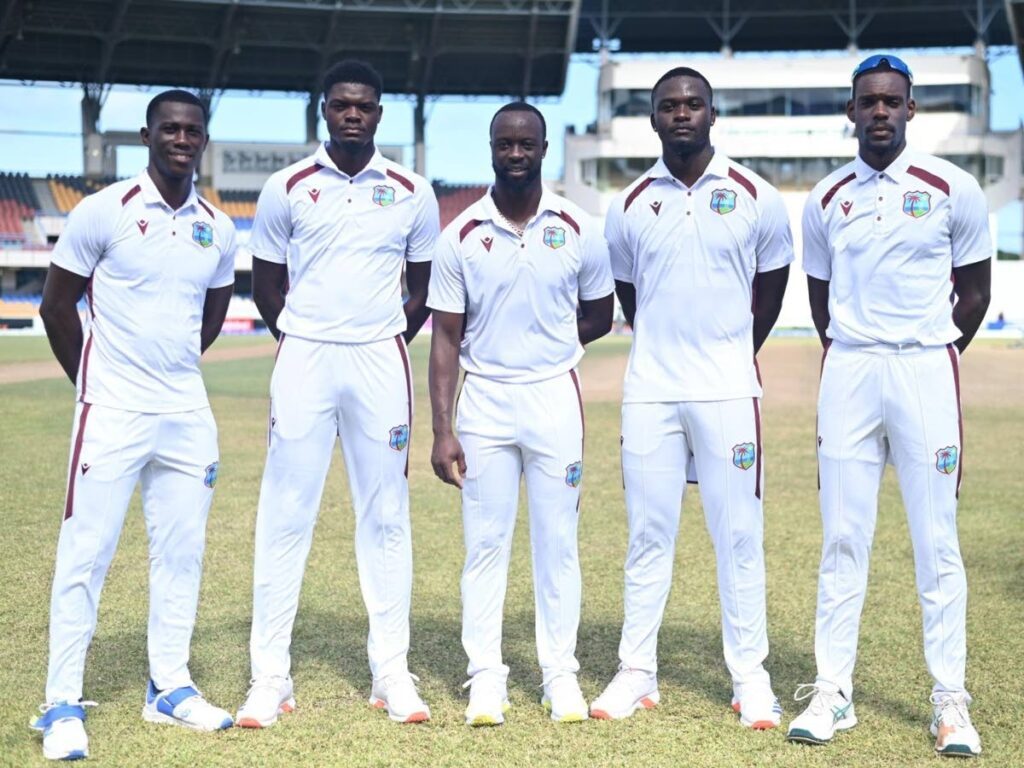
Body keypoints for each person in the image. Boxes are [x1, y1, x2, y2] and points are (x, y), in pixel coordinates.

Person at [787, 54, 991, 758]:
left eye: (891, 102)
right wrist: (857, 348)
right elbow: (819, 296)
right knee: (843, 537)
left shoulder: (951, 188)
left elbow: (975, 293)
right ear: (850, 111)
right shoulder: (825, 197)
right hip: (849, 370)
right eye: (867, 101)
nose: (879, 111)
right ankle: (832, 692)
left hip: (924, 370)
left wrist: (926, 348)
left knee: (936, 543)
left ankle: (949, 703)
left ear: (911, 111)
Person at [32, 89, 237, 760]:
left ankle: (168, 687)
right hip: (112, 411)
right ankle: (60, 703)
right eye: (170, 128)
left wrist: (171, 374)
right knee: (84, 556)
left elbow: (210, 316)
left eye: (192, 130)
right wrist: (95, 385)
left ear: (203, 139)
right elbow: (56, 307)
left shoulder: (219, 225)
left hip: (186, 415)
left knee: (181, 554)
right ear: (149, 135)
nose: (181, 138)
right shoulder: (103, 210)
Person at [237, 60, 439, 727]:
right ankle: (270, 678)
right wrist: (308, 339)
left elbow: (422, 288)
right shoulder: (285, 186)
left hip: (381, 358)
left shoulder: (412, 189)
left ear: (380, 114)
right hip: (306, 357)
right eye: (342, 105)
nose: (353, 114)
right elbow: (267, 287)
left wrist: (380, 338)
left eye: (365, 106)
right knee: (286, 512)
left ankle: (391, 672)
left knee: (385, 515)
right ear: (324, 110)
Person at [591, 67, 793, 728]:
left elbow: (770, 292)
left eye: (693, 104)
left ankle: (750, 678)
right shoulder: (626, 205)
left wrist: (731, 351)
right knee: (648, 535)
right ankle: (636, 672)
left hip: (729, 393)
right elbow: (630, 298)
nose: (682, 114)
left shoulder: (756, 196)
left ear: (713, 114)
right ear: (652, 119)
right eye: (669, 106)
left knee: (739, 536)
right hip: (650, 393)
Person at [428, 102, 614, 725]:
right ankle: (486, 677)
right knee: (485, 545)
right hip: (483, 402)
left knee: (558, 544)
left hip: (553, 397)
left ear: (542, 150)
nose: (515, 154)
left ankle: (559, 674)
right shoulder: (460, 234)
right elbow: (446, 340)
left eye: (526, 144)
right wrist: (442, 428)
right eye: (505, 144)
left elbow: (598, 315)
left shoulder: (579, 226)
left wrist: (548, 349)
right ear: (490, 148)